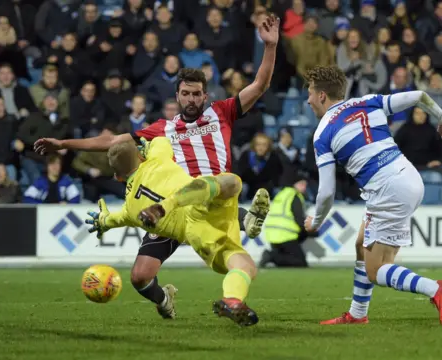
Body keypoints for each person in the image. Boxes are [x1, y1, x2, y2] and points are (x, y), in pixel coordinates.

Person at [34, 15, 281, 320]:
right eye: (185, 94)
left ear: (206, 95)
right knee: (139, 276)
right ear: (177, 96)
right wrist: (64, 144)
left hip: (209, 202)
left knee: (224, 189)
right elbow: (111, 141)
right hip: (171, 206)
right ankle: (165, 297)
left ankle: (245, 220)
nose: (191, 99)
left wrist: (270, 46)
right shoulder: (163, 129)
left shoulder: (222, 112)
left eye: (196, 94)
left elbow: (260, 84)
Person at [303, 65, 442, 326]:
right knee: (361, 243)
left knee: (376, 271)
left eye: (309, 93)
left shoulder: (322, 133)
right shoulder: (365, 102)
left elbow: (327, 192)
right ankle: (357, 314)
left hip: (387, 189)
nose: (307, 100)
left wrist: (315, 221)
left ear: (321, 96)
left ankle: (434, 289)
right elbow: (420, 96)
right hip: (408, 177)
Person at [86, 137, 270, 326]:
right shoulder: (157, 158)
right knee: (230, 182)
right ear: (140, 157)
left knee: (243, 265)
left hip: (194, 232)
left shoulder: (131, 210)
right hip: (199, 202)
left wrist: (103, 221)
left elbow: (112, 219)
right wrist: (146, 148)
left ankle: (232, 301)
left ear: (117, 177)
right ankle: (243, 222)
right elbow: (161, 140)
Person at [259, 174, 313, 268]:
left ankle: (275, 256)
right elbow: (299, 219)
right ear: (294, 184)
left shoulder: (282, 194)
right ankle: (272, 256)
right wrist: (312, 231)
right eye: (301, 184)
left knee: (287, 259)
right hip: (286, 236)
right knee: (300, 263)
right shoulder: (294, 196)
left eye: (305, 185)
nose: (304, 187)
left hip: (272, 236)